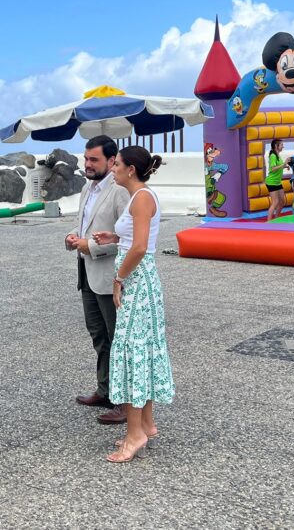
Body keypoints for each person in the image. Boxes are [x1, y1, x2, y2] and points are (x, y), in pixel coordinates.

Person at [92, 146, 174, 463]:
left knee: (133, 350)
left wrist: (119, 279)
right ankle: (147, 424)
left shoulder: (142, 198)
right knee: (141, 349)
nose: (113, 169)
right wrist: (114, 238)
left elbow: (140, 248)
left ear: (130, 170)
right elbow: (137, 239)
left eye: (117, 165)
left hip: (137, 280)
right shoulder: (139, 197)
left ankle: (135, 433)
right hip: (139, 279)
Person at [65, 136, 130, 425]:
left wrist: (88, 246)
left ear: (112, 160)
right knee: (99, 336)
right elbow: (86, 226)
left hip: (109, 276)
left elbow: (129, 239)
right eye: (86, 158)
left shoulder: (120, 192)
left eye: (94, 160)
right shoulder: (86, 189)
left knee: (118, 339)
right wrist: (72, 237)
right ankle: (105, 390)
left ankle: (126, 403)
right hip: (87, 274)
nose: (87, 164)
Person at [265, 139, 288, 221]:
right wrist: (284, 164)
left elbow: (279, 166)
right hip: (271, 182)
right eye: (281, 145)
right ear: (276, 146)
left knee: (282, 201)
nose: (283, 147)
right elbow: (273, 168)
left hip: (278, 182)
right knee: (275, 202)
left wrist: (285, 166)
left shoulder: (278, 155)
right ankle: (269, 221)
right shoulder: (273, 156)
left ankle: (276, 218)